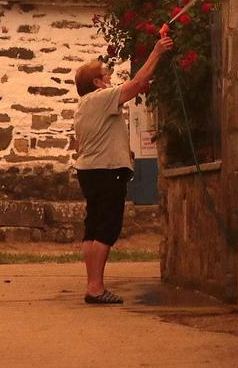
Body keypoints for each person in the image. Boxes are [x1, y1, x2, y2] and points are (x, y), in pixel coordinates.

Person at [72, 35, 174, 304]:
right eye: (105, 75)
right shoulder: (101, 98)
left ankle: (92, 283)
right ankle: (95, 287)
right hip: (107, 171)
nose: (109, 79)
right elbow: (137, 83)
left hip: (89, 170)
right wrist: (157, 51)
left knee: (92, 228)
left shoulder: (84, 106)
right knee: (107, 227)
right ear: (96, 83)